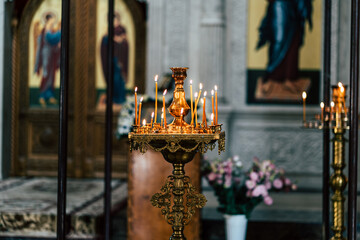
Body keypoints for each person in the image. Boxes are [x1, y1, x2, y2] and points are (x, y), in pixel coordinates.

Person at [257, 0, 313, 95]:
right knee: (278, 40)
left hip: (295, 6)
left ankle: (289, 78)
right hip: (280, 5)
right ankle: (271, 78)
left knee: (293, 41)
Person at [100, 13, 129, 106]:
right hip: (112, 58)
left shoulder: (121, 29)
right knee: (111, 78)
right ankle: (112, 97)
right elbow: (106, 41)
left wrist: (114, 38)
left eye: (114, 20)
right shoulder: (110, 30)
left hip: (119, 59)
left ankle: (119, 98)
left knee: (117, 78)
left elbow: (123, 41)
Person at [34, 13, 61, 107]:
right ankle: (42, 95)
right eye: (53, 19)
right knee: (46, 73)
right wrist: (60, 32)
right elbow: (51, 39)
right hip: (46, 55)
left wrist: (58, 47)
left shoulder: (52, 30)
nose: (54, 21)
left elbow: (55, 43)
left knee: (51, 74)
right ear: (49, 19)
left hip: (52, 55)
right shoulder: (45, 31)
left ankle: (49, 95)